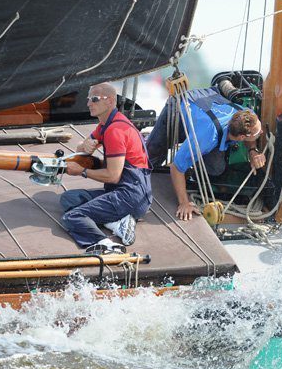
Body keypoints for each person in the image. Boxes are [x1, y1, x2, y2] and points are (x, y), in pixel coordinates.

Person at [146, 87, 266, 221]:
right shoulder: (207, 136)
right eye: (258, 133)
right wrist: (184, 203)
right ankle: (180, 152)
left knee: (216, 168)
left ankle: (191, 157)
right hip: (180, 108)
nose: (261, 133)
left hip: (206, 111)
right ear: (242, 137)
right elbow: (176, 168)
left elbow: (251, 135)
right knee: (150, 161)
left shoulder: (248, 115)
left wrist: (253, 151)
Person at [60, 83, 152, 252]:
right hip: (124, 191)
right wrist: (85, 145)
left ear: (110, 101)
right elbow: (81, 147)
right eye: (88, 99)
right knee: (69, 198)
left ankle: (107, 245)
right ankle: (118, 222)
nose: (88, 103)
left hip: (130, 195)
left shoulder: (115, 130)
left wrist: (82, 172)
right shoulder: (105, 125)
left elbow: (112, 176)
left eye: (94, 99)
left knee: (72, 216)